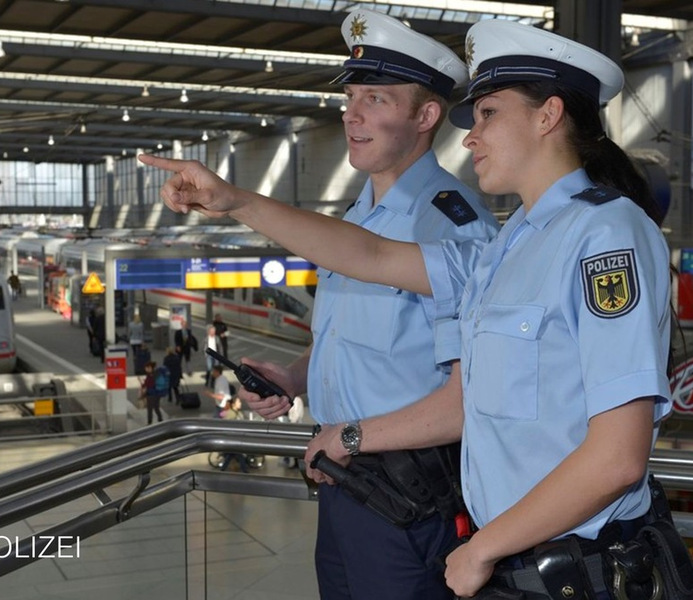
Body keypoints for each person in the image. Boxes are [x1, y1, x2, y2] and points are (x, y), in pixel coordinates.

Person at [139, 18, 689, 600]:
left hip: (577, 565)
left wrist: (481, 548)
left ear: (547, 115)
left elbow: (618, 459)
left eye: (487, 114)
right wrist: (233, 201)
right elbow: (370, 255)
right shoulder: (508, 245)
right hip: (513, 558)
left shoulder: (606, 236)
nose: (471, 137)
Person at [143, 9, 499, 600]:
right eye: (351, 96)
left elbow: (469, 395)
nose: (351, 114)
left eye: (376, 99)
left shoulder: (451, 228)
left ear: (426, 116)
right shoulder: (355, 220)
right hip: (340, 479)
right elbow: (353, 342)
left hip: (408, 500)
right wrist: (294, 373)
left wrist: (353, 438)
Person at [219, 396, 250, 473]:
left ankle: (222, 469)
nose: (240, 404)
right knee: (238, 454)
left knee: (231, 455)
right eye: (238, 402)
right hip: (232, 439)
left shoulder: (238, 413)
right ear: (233, 404)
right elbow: (227, 427)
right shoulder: (231, 414)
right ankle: (244, 470)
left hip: (235, 438)